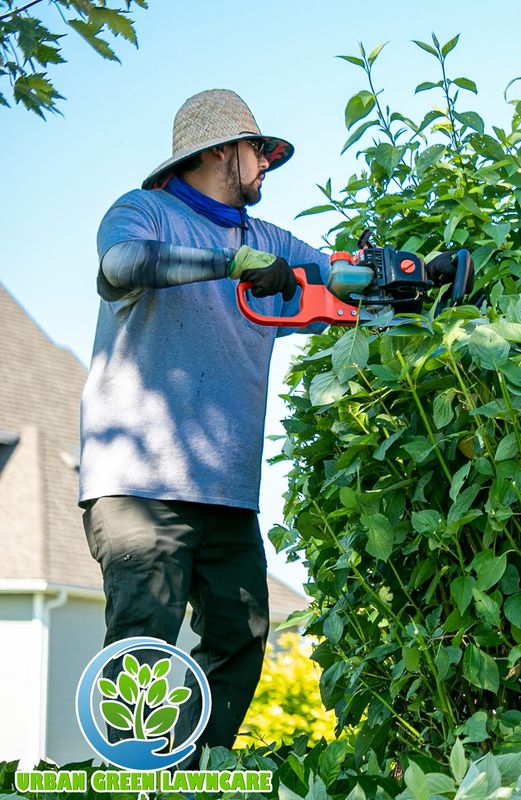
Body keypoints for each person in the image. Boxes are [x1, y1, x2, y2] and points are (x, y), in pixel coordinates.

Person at [77, 89, 327, 759]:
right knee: (143, 654)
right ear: (220, 151)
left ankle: (187, 769)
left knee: (241, 638)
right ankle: (135, 775)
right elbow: (119, 265)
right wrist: (226, 265)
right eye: (258, 151)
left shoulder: (267, 240)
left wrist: (412, 277)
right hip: (138, 484)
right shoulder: (144, 212)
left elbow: (340, 276)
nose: (266, 165)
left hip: (225, 487)